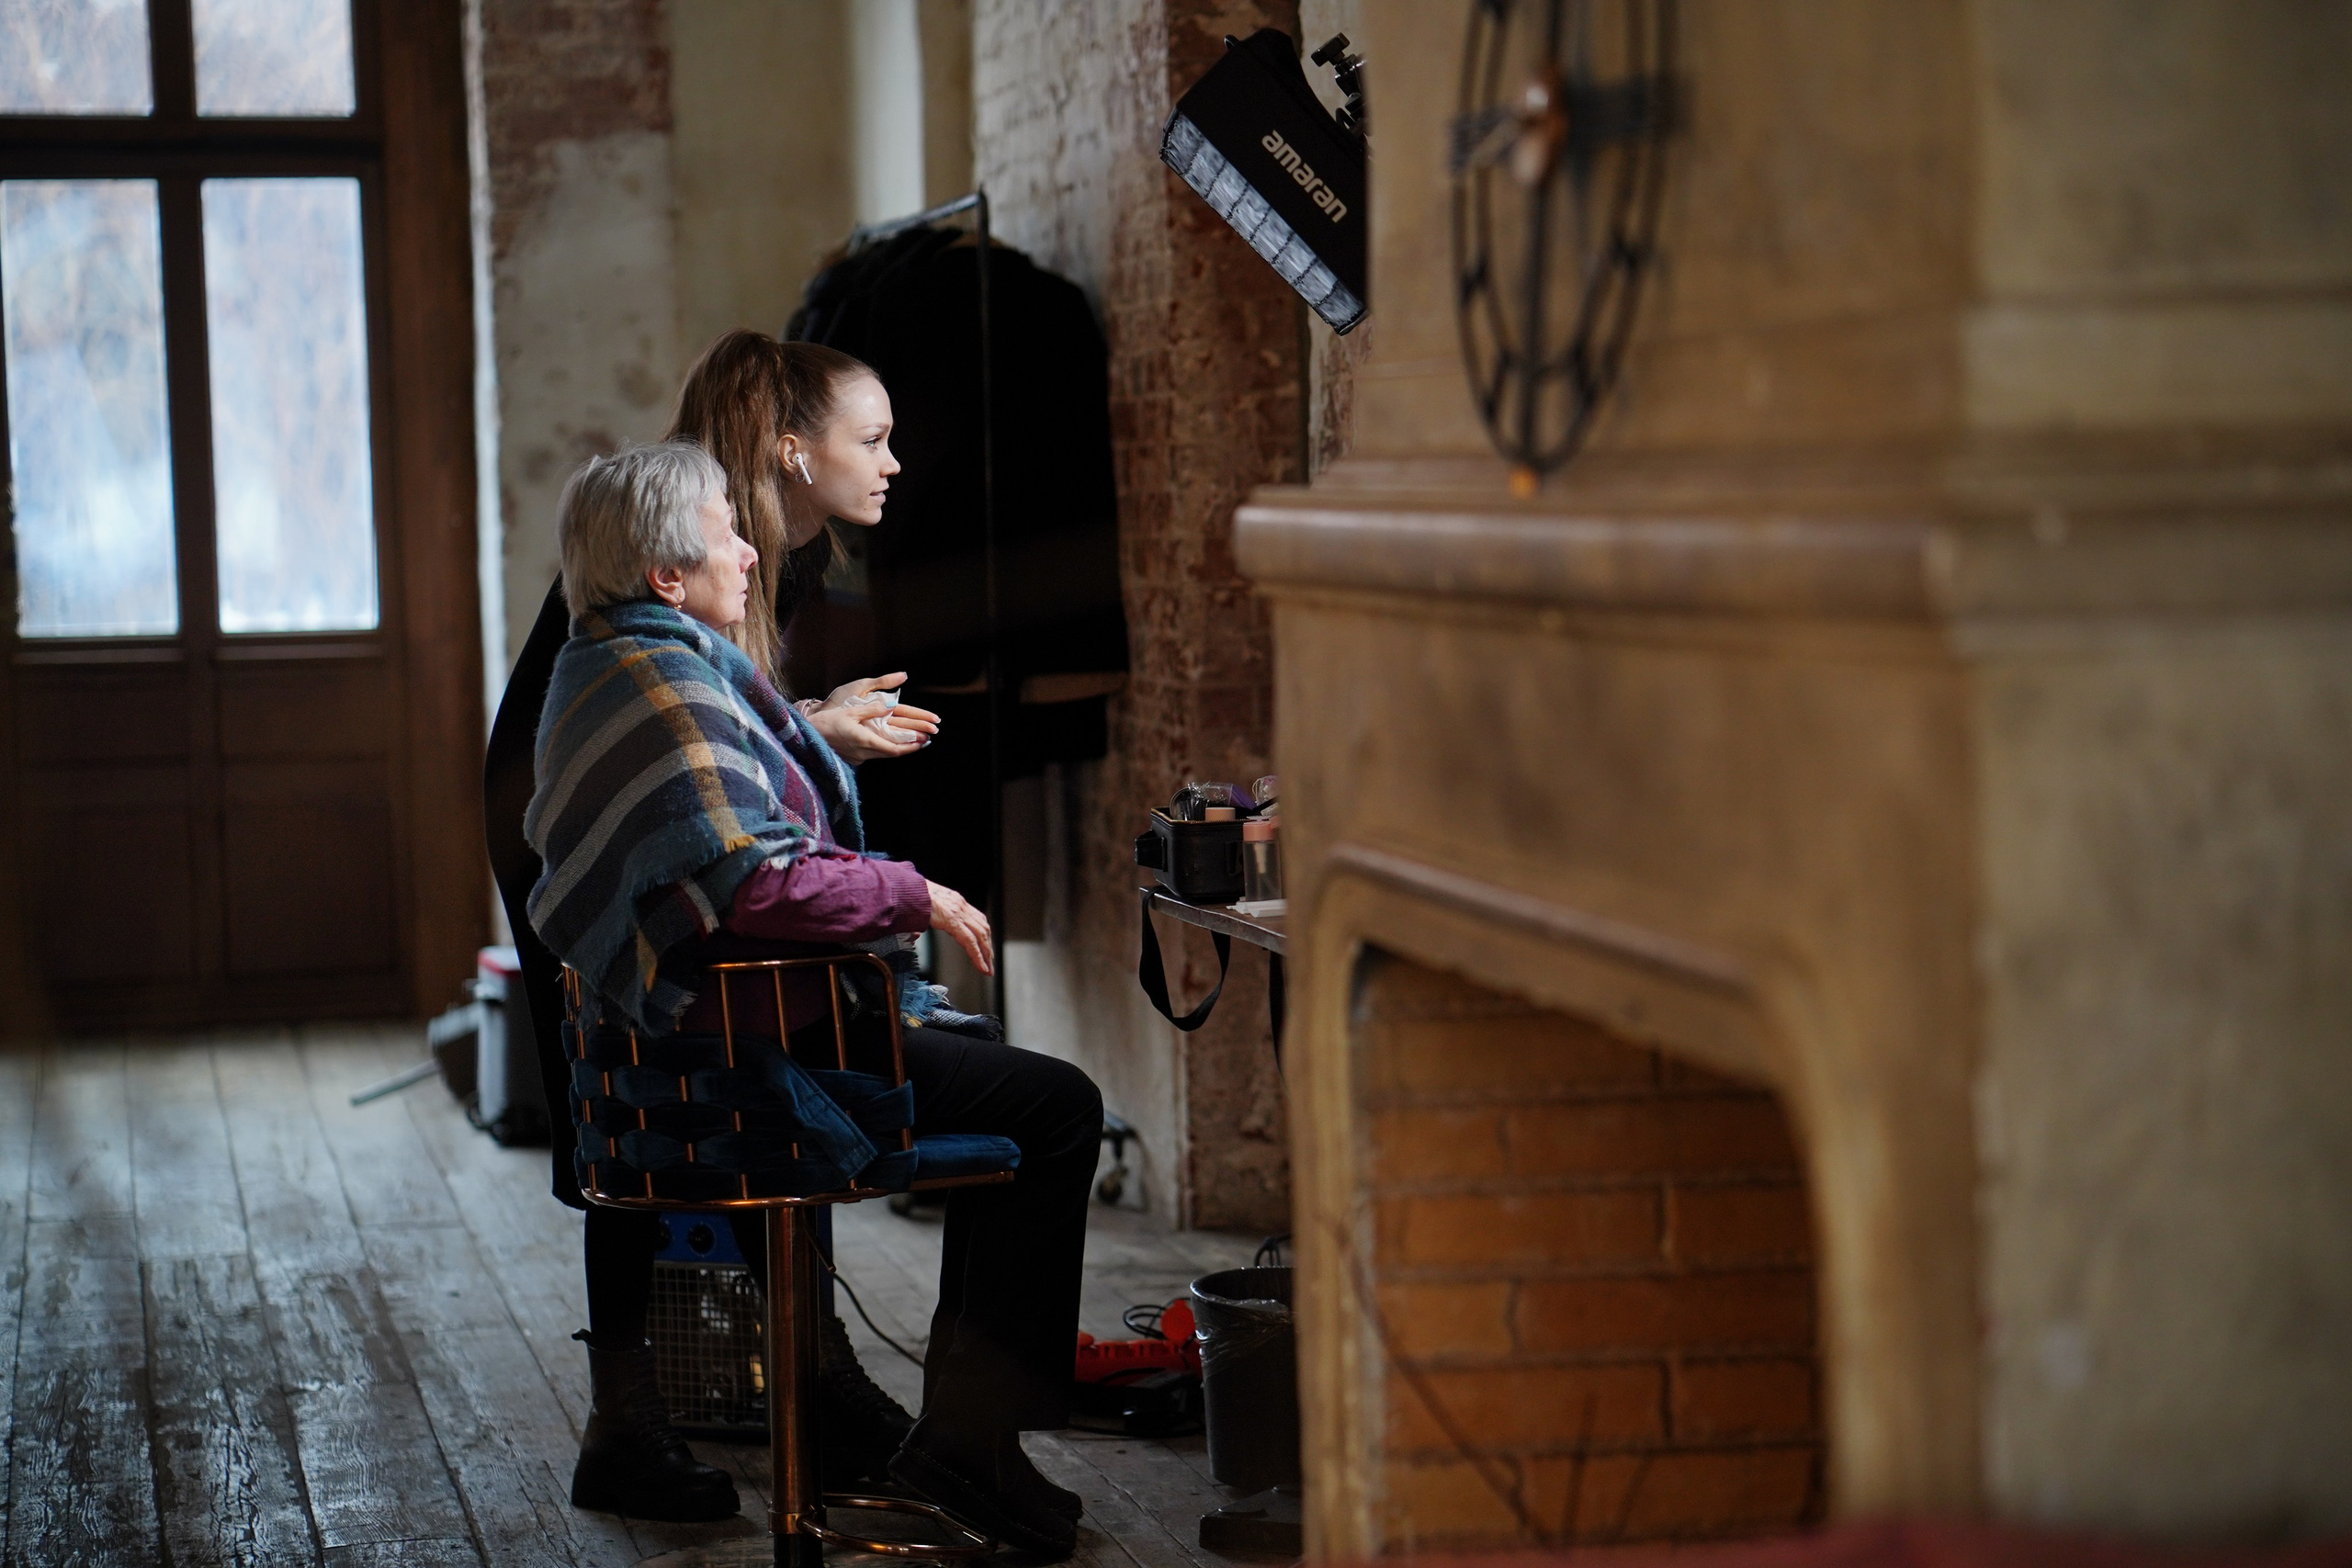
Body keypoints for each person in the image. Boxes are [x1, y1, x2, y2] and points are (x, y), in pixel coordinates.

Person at [526, 442, 1101, 1560]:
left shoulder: (604, 667)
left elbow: (718, 835)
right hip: (750, 1073)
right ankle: (969, 1447)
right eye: (724, 532)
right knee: (1056, 1107)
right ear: (665, 577)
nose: (749, 551)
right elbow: (755, 880)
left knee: (1017, 1104)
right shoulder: (667, 682)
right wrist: (913, 892)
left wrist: (814, 731)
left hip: (683, 1067)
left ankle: (963, 1440)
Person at [481, 337, 957, 1526]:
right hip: (575, 837)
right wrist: (818, 735)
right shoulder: (699, 532)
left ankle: (806, 1379)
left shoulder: (758, 541)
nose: (894, 461)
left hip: (613, 817)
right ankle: (634, 1418)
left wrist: (811, 726)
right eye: (874, 438)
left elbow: (714, 731)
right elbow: (662, 729)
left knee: (727, 1073)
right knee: (627, 1098)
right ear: (794, 452)